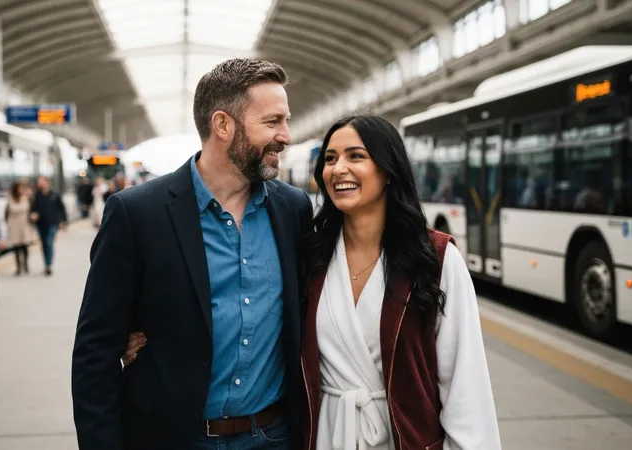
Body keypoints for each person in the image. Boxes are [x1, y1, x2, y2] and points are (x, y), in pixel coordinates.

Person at [122, 115, 502, 449]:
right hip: (322, 434)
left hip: (403, 437)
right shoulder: (312, 253)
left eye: (356, 156)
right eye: (331, 159)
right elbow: (249, 308)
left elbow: (464, 382)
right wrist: (149, 334)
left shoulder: (434, 259)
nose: (339, 169)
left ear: (388, 170)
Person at [71, 58, 312, 450]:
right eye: (272, 122)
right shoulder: (137, 214)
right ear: (222, 125)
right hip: (172, 438)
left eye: (286, 121)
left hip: (274, 437)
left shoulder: (293, 209)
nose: (285, 135)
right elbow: (95, 351)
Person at [29, 176, 67, 276]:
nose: (39, 184)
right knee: (43, 244)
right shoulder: (36, 195)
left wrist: (63, 221)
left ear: (47, 182)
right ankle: (46, 264)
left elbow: (61, 208)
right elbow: (33, 208)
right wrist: (33, 214)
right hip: (40, 224)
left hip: (52, 223)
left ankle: (49, 265)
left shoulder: (54, 195)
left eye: (41, 182)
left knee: (48, 242)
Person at [6, 180, 33, 275]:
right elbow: (9, 211)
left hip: (24, 225)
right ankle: (18, 267)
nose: (21, 190)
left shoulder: (26, 197)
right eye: (19, 188)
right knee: (16, 247)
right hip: (14, 226)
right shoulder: (10, 198)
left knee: (24, 247)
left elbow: (29, 208)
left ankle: (25, 264)